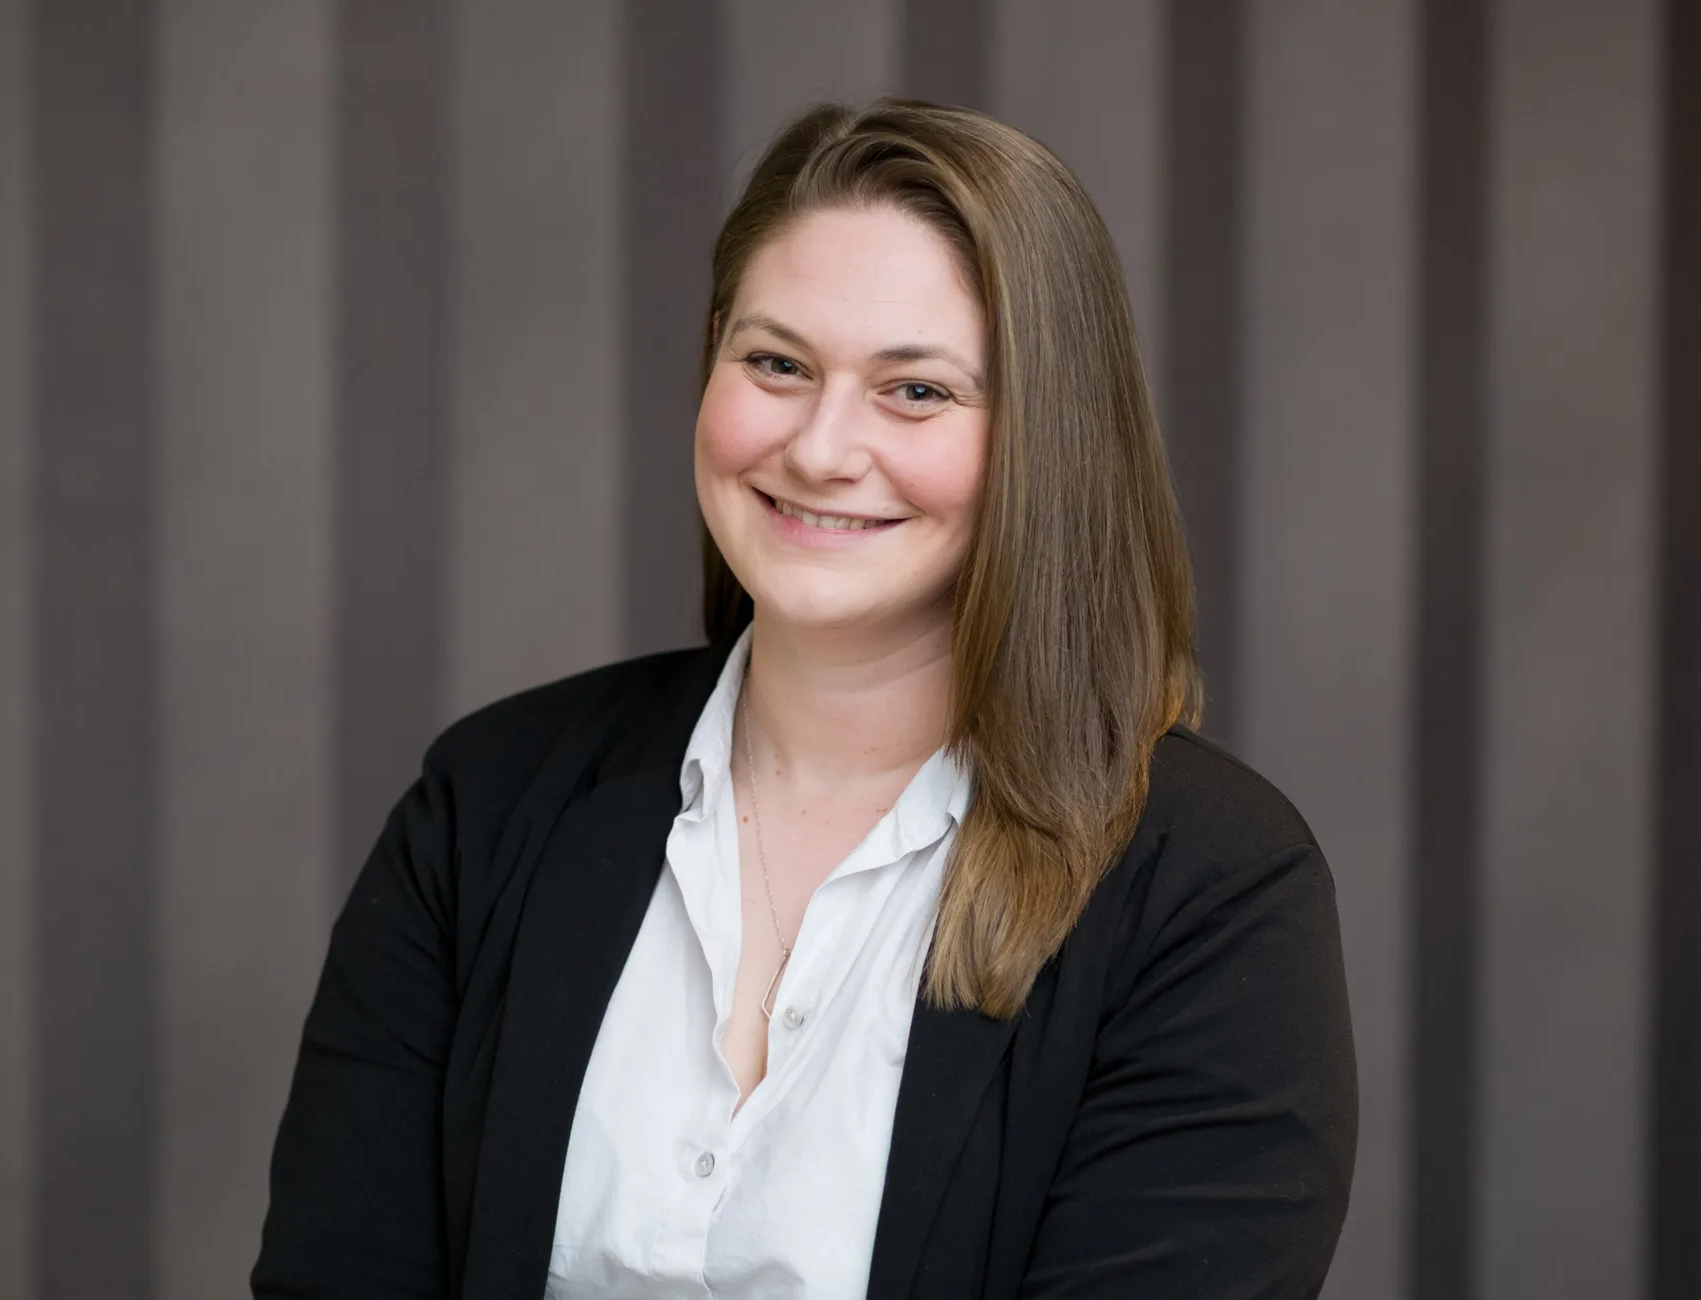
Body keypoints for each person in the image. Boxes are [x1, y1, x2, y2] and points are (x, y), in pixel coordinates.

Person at [252, 98, 1355, 1300]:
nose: (822, 448)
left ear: (1048, 437)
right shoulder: (487, 803)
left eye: (915, 391)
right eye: (776, 364)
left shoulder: (1209, 890)